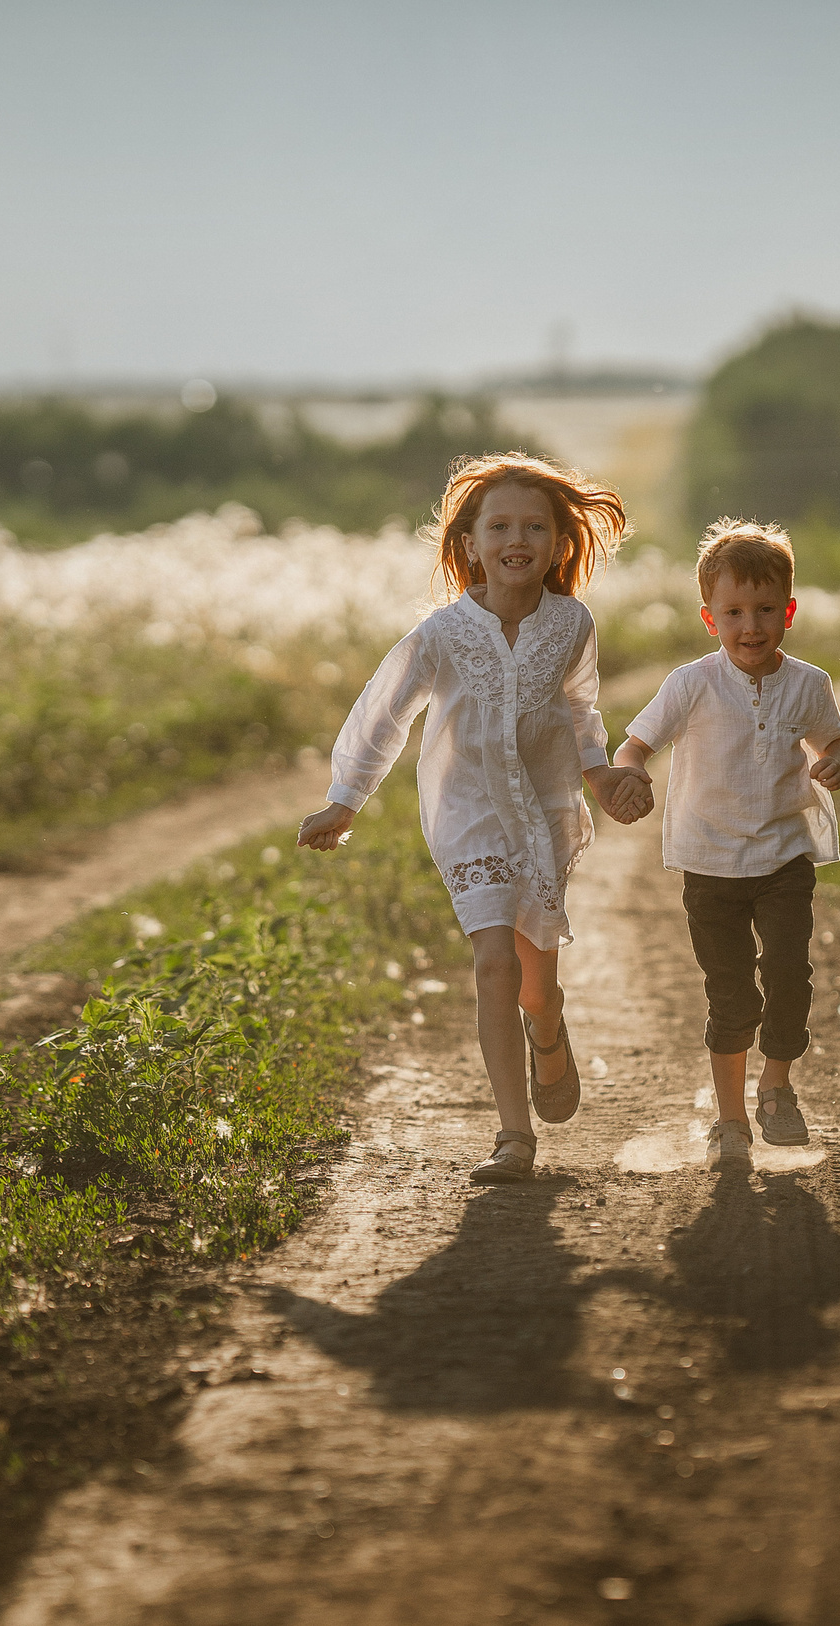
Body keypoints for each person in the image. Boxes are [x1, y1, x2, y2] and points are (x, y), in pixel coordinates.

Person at [297, 454, 654, 1183]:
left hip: (546, 813)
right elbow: (384, 711)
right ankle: (513, 1135)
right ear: (470, 543)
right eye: (499, 526)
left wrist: (603, 775)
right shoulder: (442, 634)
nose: (515, 538)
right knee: (493, 964)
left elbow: (582, 711)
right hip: (467, 813)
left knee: (535, 981)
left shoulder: (572, 625)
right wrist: (345, 797)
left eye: (533, 526)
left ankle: (548, 1032)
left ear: (558, 543)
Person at [613, 518, 840, 1169]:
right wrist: (630, 767)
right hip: (710, 864)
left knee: (787, 975)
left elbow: (832, 737)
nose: (752, 625)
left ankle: (777, 1088)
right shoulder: (691, 683)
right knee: (731, 992)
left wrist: (835, 758)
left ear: (790, 611)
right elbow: (636, 741)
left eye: (766, 610)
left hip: (783, 859)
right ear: (709, 617)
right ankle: (730, 1120)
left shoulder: (809, 683)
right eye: (735, 612)